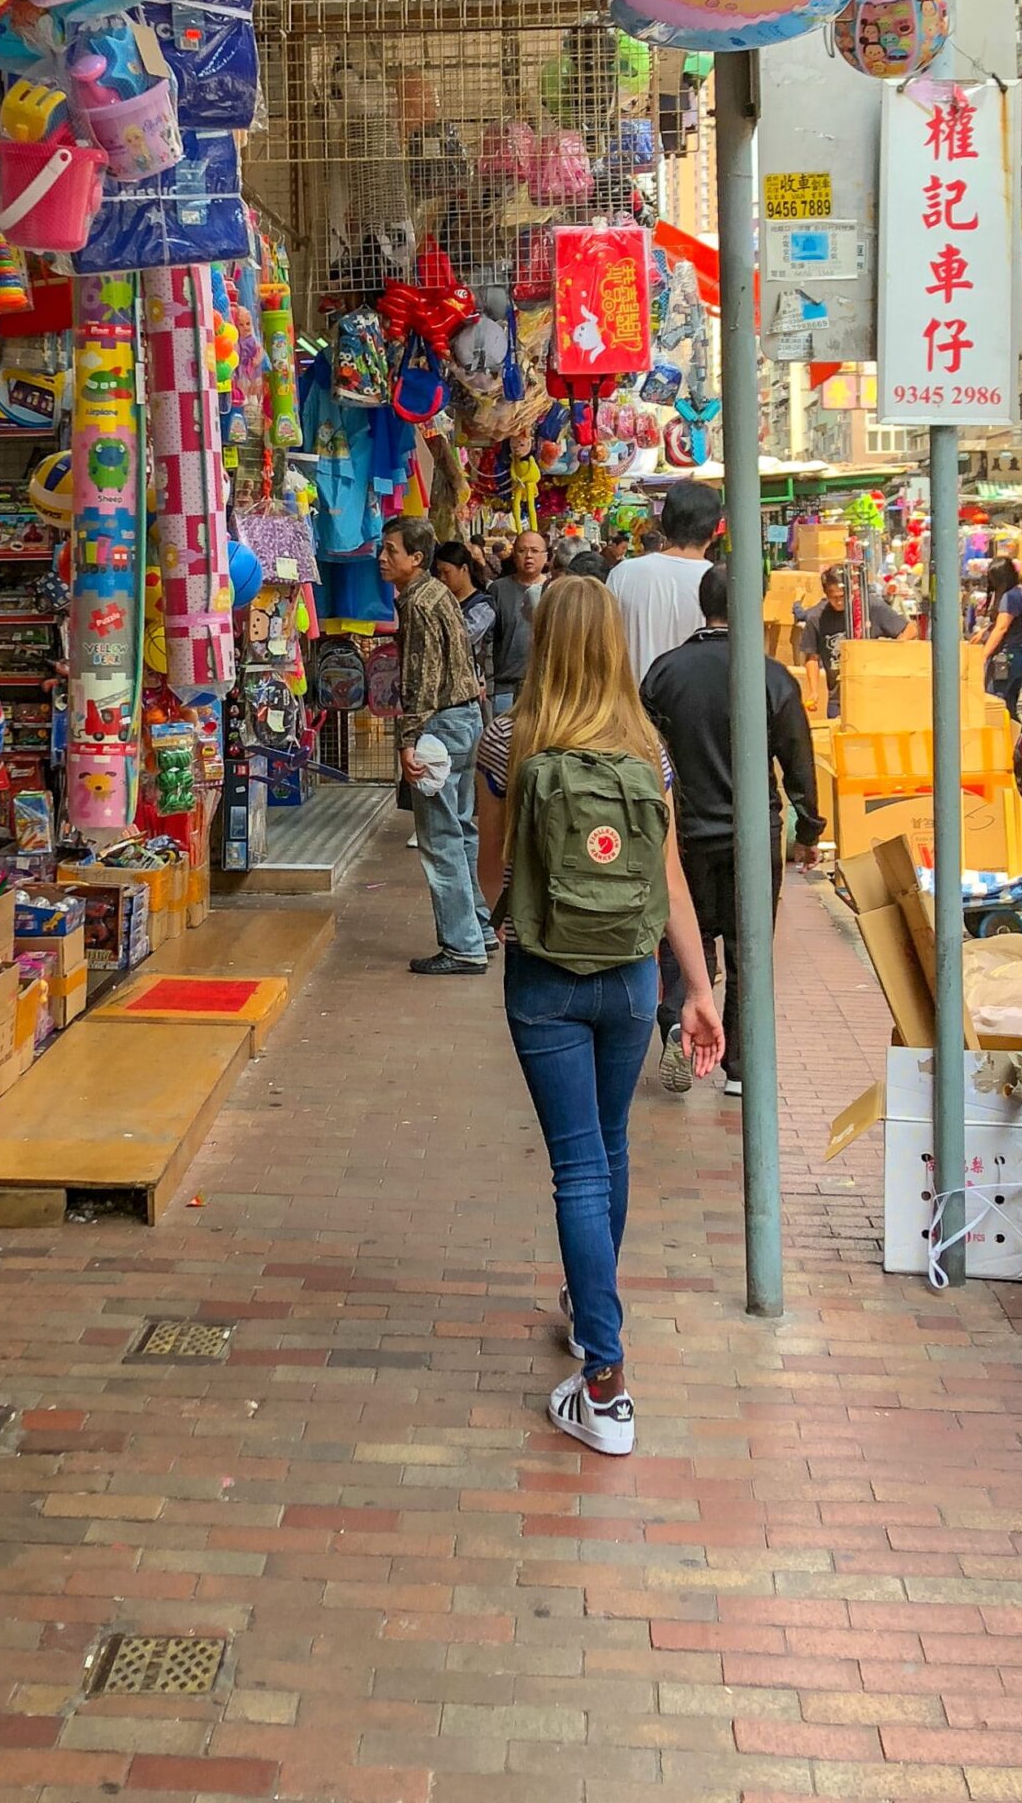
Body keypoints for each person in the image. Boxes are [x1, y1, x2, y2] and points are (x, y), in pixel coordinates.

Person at [488, 574, 724, 1455]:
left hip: (542, 982)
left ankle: (607, 1386)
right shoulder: (647, 750)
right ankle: (593, 1326)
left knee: (577, 1168)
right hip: (633, 982)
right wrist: (698, 992)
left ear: (544, 641)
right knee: (609, 1149)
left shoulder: (508, 742)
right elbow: (670, 887)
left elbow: (489, 884)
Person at [641, 565, 825, 1097]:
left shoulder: (663, 673)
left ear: (704, 605)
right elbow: (798, 761)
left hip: (684, 830)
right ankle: (741, 1065)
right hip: (753, 833)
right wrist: (808, 828)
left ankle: (679, 1018)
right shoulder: (772, 677)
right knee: (749, 948)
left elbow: (643, 755)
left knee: (683, 932)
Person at [380, 517, 488, 975]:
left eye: (391, 551)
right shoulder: (435, 594)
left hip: (441, 726)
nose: (383, 559)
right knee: (459, 829)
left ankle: (464, 945)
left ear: (416, 558)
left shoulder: (420, 602)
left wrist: (409, 740)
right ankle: (479, 927)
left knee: (442, 838)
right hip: (463, 720)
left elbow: (420, 679)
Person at [605, 479, 722, 683]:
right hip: (693, 703)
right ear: (716, 529)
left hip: (631, 707)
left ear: (664, 522)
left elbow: (604, 643)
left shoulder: (623, 573)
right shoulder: (720, 583)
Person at [796, 564, 908, 719]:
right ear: (826, 595)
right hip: (838, 697)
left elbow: (910, 629)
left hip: (872, 693)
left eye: (843, 596)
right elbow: (812, 657)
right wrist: (814, 691)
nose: (839, 602)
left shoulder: (871, 607)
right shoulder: (816, 617)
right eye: (833, 597)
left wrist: (891, 653)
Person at [489, 528, 547, 713]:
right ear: (513, 556)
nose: (528, 556)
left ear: (545, 557)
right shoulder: (498, 589)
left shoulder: (555, 589)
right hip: (505, 687)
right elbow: (488, 640)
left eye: (535, 551)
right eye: (522, 551)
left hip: (545, 688)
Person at [433, 540, 496, 704]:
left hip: (469, 688)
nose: (442, 578)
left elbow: (460, 638)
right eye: (438, 573)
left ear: (464, 569)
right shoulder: (442, 601)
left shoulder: (483, 606)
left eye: (446, 572)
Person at [976, 554, 1022, 719]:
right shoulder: (1021, 592)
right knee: (1010, 707)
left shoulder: (1009, 597)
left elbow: (1001, 628)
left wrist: (983, 655)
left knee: (995, 705)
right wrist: (984, 632)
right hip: (1017, 657)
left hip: (1005, 659)